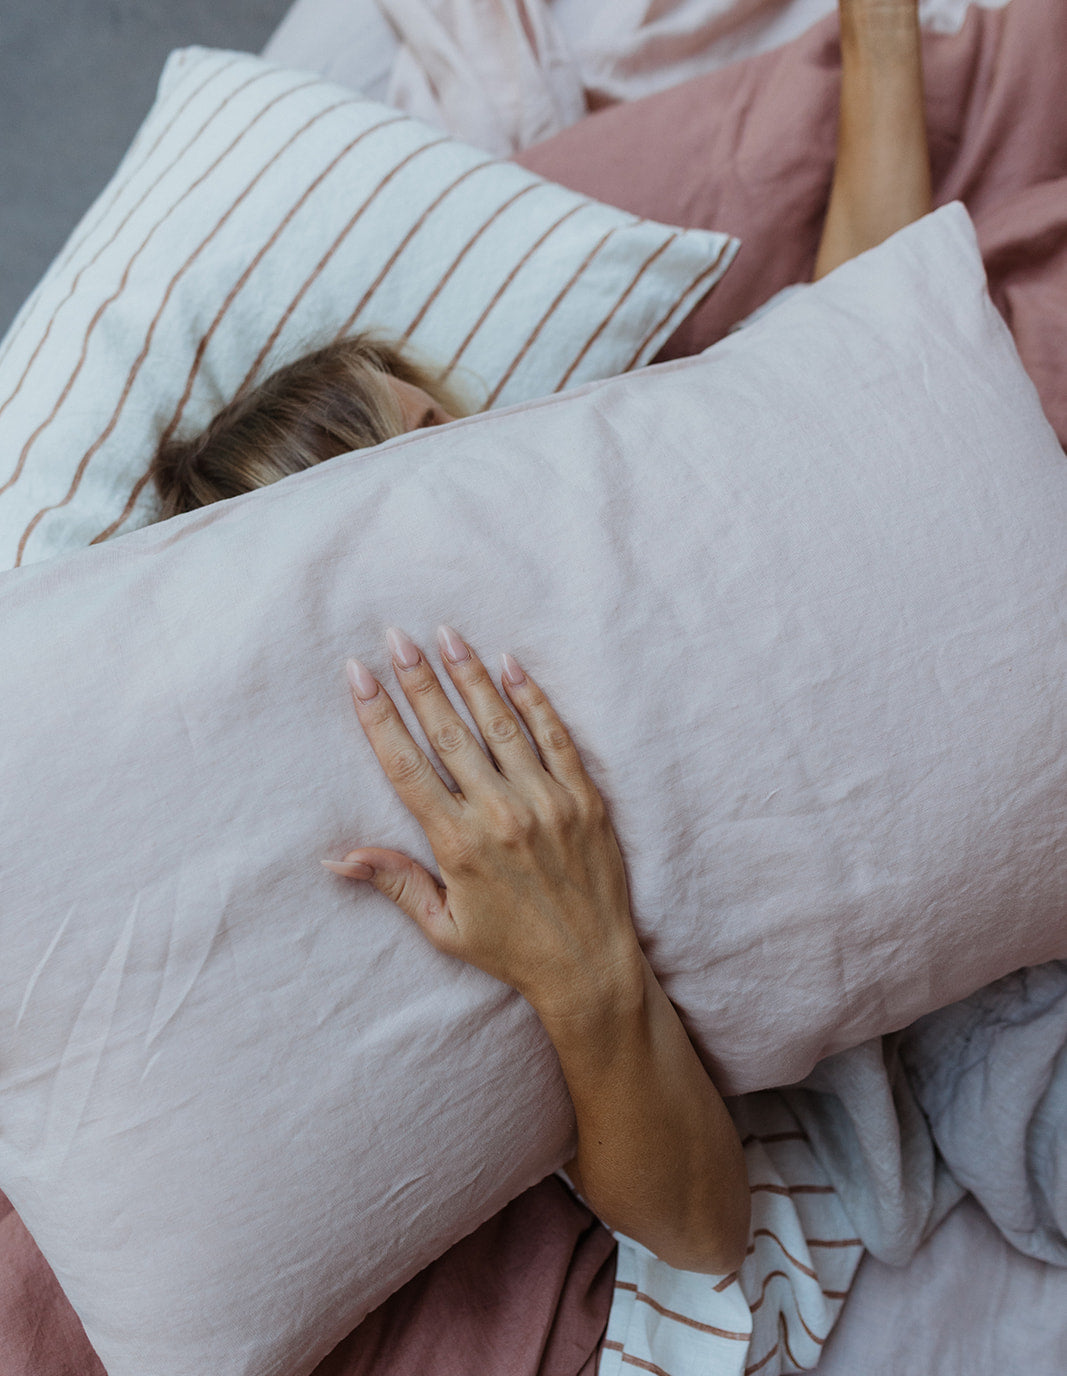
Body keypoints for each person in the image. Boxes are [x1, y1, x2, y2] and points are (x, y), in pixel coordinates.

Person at [149, 0, 933, 1273]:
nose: (451, 471)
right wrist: (581, 968)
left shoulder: (635, 462)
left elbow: (858, 349)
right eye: (377, 495)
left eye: (428, 429)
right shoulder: (463, 820)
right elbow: (699, 1231)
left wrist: (880, 40)